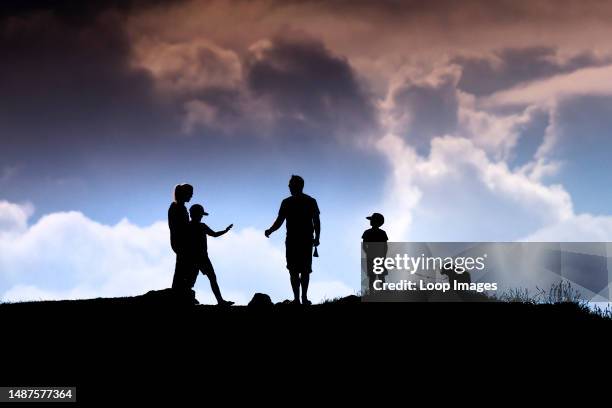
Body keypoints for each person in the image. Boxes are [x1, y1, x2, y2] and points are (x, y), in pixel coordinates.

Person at [265, 175, 320, 305]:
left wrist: (270, 230)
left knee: (296, 270)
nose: (289, 186)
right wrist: (317, 238)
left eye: (291, 184)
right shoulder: (309, 201)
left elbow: (280, 221)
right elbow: (316, 222)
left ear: (297, 185)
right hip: (303, 240)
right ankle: (302, 299)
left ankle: (298, 299)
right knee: (301, 270)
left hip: (295, 241)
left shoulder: (289, 202)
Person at [187, 204, 234, 306]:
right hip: (200, 258)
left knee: (194, 280)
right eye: (201, 215)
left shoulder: (190, 226)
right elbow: (214, 234)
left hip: (196, 257)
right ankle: (219, 301)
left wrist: (225, 231)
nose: (201, 217)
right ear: (198, 215)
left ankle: (219, 301)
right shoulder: (200, 226)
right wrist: (225, 231)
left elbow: (214, 234)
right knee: (198, 280)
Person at [168, 183, 195, 295]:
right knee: (184, 268)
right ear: (185, 194)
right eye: (190, 194)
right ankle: (181, 292)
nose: (191, 196)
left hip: (180, 242)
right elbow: (181, 226)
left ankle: (182, 291)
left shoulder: (179, 207)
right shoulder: (177, 208)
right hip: (181, 242)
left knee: (183, 267)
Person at [362, 212, 388, 293]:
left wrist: (369, 253)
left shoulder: (367, 232)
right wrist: (383, 257)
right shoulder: (382, 233)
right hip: (378, 257)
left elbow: (364, 246)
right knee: (379, 276)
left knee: (373, 276)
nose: (370, 221)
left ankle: (372, 293)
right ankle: (379, 293)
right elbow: (385, 247)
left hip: (372, 257)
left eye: (372, 220)